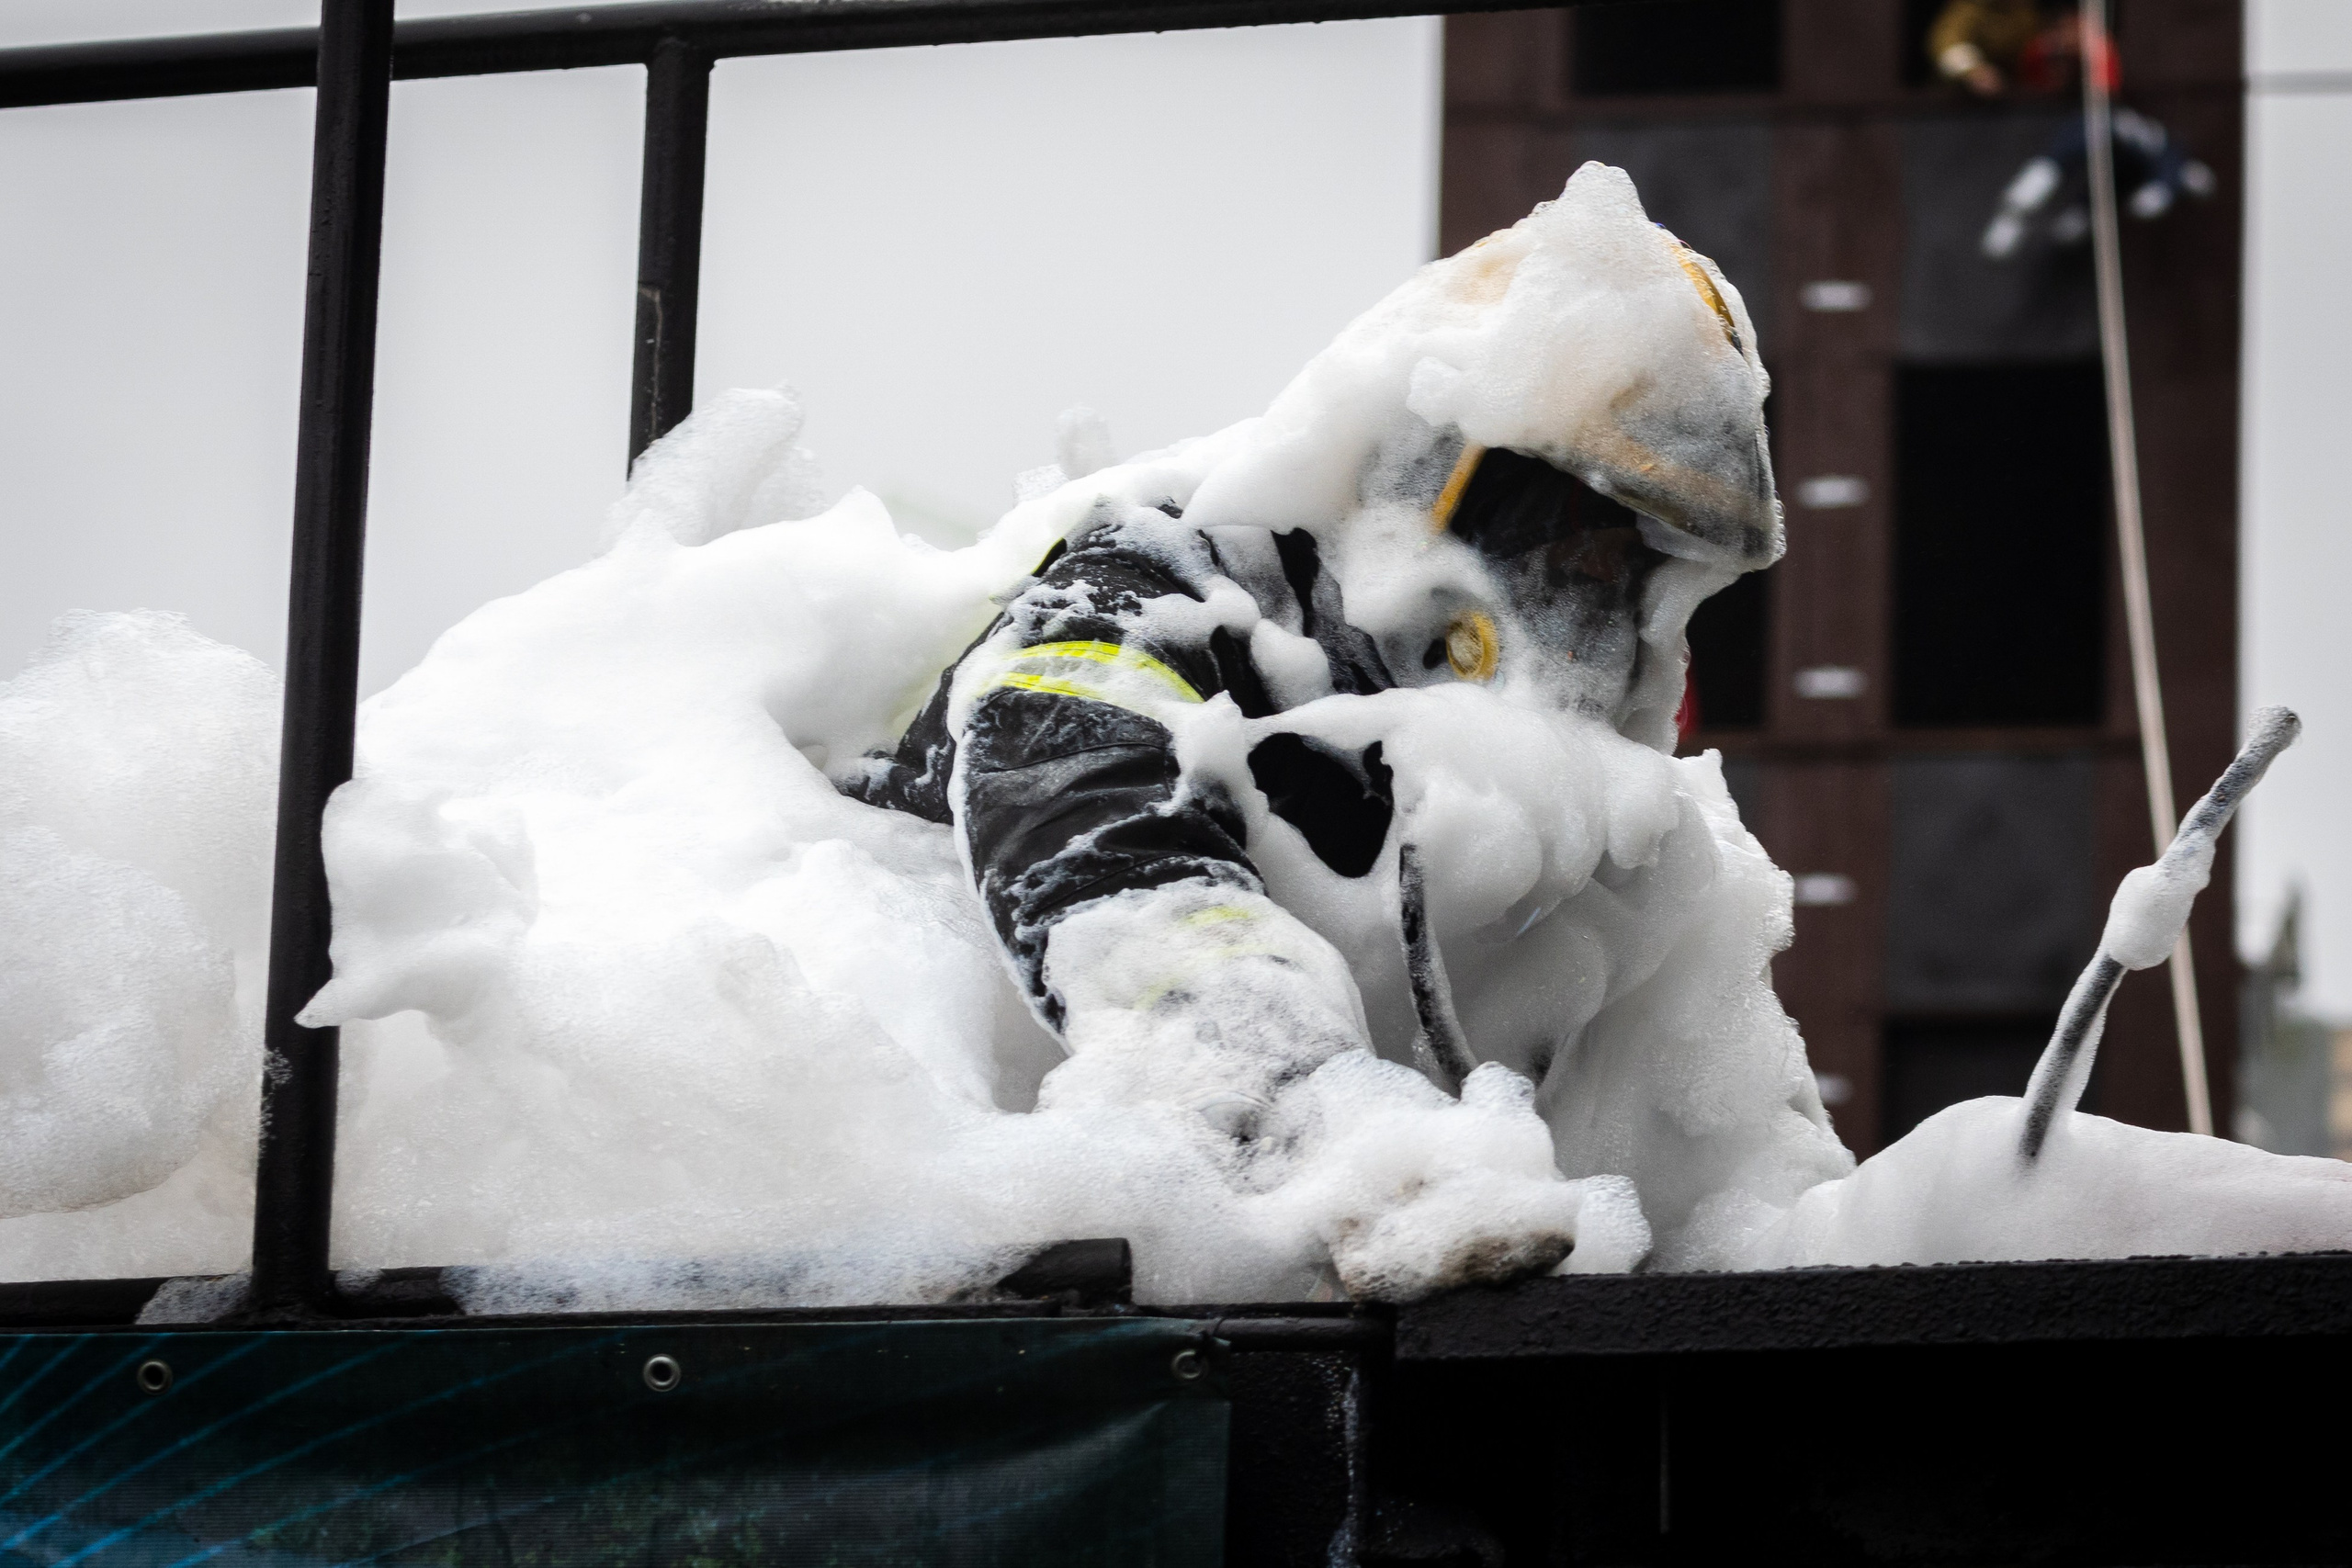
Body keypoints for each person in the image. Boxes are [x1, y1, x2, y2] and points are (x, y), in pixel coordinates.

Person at [844, 164, 1787, 1162]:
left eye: (1628, 560)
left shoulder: (1591, 815)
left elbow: (1710, 1142)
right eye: (1572, 531)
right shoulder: (1162, 586)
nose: (1592, 584)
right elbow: (1083, 812)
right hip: (924, 1159)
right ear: (1436, 473)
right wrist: (1309, 1106)